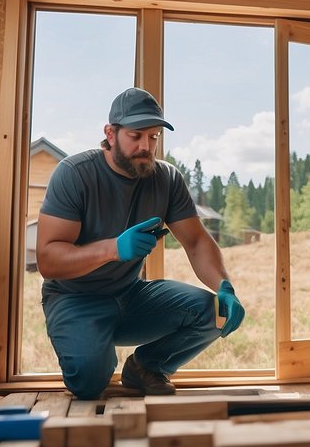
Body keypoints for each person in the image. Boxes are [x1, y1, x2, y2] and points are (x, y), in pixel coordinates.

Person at [36, 87, 246, 399]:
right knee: (89, 383)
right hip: (75, 297)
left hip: (129, 293)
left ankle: (146, 367)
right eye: (136, 136)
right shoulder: (74, 174)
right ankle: (95, 351)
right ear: (110, 133)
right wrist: (113, 249)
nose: (145, 146)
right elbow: (48, 260)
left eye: (153, 137)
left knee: (212, 311)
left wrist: (224, 286)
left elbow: (197, 241)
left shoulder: (166, 178)